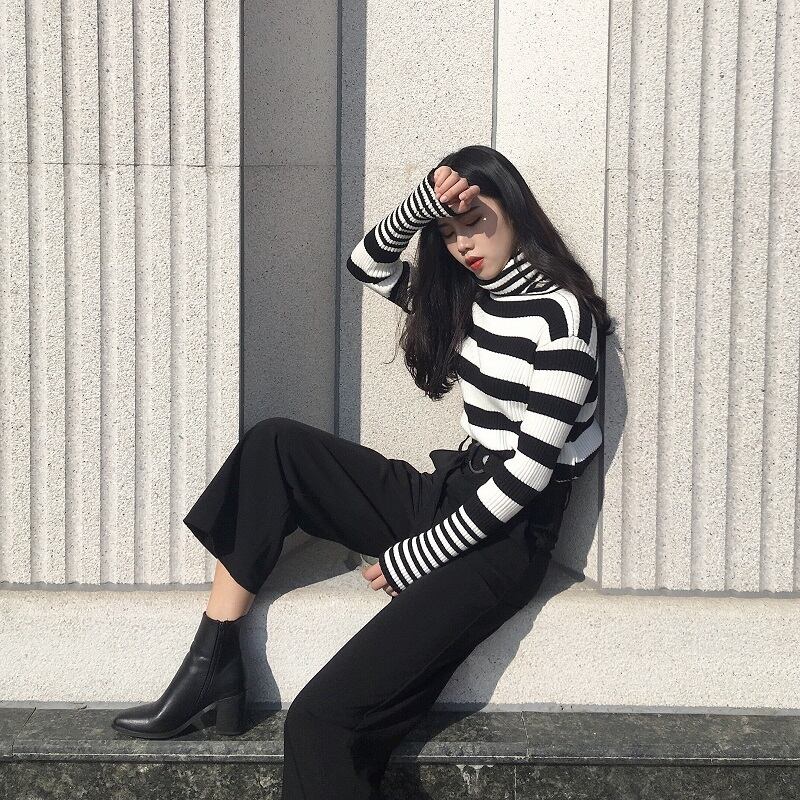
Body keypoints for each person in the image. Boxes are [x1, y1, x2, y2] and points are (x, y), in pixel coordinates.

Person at [111, 143, 615, 799]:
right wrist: (421, 206)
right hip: (453, 491)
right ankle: (213, 661)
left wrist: (418, 556)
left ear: (515, 211)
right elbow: (366, 262)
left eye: (474, 222)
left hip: (506, 540)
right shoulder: (472, 299)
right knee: (275, 447)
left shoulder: (564, 318)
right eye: (448, 232)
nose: (463, 244)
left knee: (321, 725)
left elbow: (526, 478)